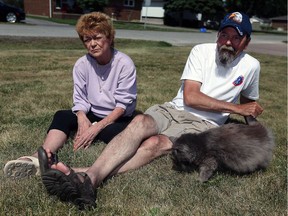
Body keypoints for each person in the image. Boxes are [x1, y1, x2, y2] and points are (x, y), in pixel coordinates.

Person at [23, 11, 266, 210]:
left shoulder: (251, 66)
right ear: (217, 35)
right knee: (138, 124)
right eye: (223, 34)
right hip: (173, 108)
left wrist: (252, 125)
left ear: (246, 42)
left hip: (201, 124)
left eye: (235, 37)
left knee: (156, 145)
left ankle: (84, 177)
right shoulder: (201, 51)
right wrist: (236, 107)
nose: (227, 41)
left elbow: (248, 100)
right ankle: (83, 176)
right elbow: (191, 96)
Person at [4, 12, 137, 179]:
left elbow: (122, 106)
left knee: (116, 135)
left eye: (97, 37)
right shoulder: (82, 64)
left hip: (116, 116)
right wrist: (82, 117)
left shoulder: (124, 64)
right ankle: (40, 157)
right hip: (93, 112)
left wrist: (96, 128)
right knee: (62, 116)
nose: (92, 44)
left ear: (109, 38)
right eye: (87, 40)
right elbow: (80, 98)